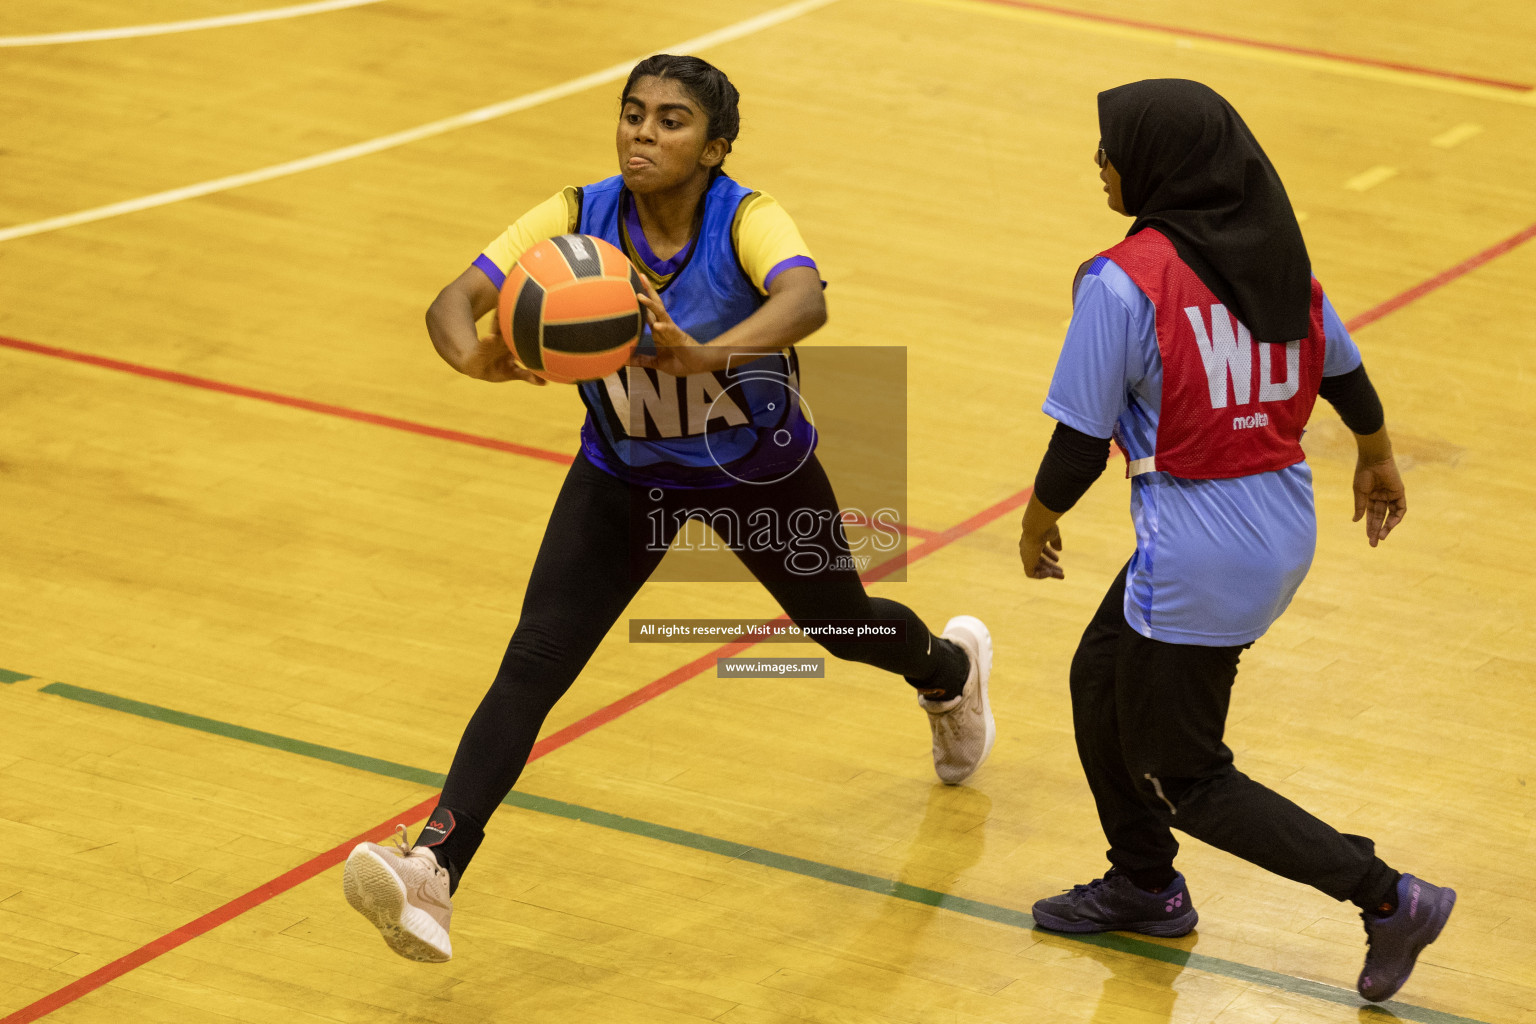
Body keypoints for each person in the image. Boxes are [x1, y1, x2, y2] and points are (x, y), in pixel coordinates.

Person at [340, 54, 995, 963]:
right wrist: (471, 356)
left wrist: (707, 353)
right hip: (625, 474)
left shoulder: (746, 218)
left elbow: (805, 299)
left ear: (715, 148)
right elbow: (455, 300)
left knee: (844, 629)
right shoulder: (575, 217)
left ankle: (948, 673)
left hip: (754, 473)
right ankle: (434, 870)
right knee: (534, 659)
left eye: (673, 121)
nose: (645, 133)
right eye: (633, 114)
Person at [1016, 79, 1453, 1004]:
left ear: (1159, 164)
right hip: (1275, 525)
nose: (1100, 162)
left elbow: (1079, 440)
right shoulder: (1275, 256)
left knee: (1187, 774)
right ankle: (1142, 881)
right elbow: (1345, 368)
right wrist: (1375, 452)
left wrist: (1039, 517)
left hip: (1197, 549)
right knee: (1099, 678)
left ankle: (1387, 897)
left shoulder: (1124, 279)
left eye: (1110, 146)